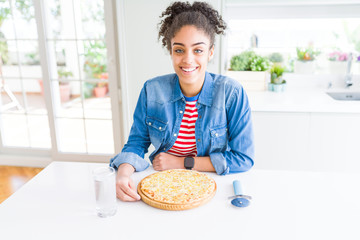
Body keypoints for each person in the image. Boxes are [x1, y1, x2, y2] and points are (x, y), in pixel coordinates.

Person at [110, 1, 254, 202]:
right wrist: (123, 174)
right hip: (162, 185)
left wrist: (182, 163)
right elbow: (136, 143)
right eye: (179, 50)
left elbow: (243, 159)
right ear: (170, 51)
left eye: (198, 50)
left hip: (212, 187)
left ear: (210, 52)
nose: (187, 60)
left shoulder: (231, 93)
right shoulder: (152, 90)